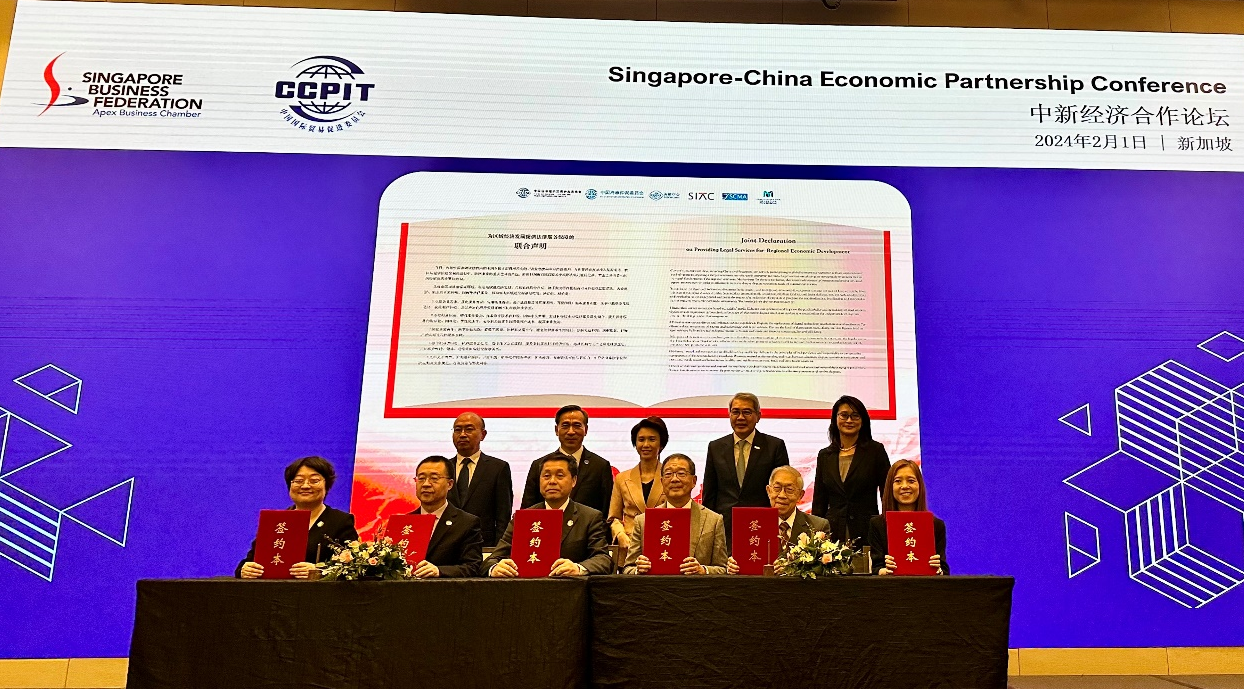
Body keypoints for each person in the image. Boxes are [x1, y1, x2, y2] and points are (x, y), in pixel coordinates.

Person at [487, 453, 613, 577]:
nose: (552, 481)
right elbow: (491, 560)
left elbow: (603, 559)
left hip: (570, 587)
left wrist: (578, 568)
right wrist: (495, 568)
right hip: (528, 587)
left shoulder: (589, 517)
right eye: (546, 476)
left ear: (574, 480)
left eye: (560, 476)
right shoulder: (524, 518)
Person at [237, 456, 358, 578]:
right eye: (298, 481)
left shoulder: (340, 521)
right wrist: (244, 569)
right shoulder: (275, 521)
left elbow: (355, 567)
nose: (305, 486)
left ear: (327, 485)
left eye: (314, 480)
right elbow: (250, 560)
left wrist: (320, 571)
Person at [703, 392, 790, 545]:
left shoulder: (774, 446)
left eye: (747, 412)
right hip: (725, 527)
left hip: (762, 524)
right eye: (735, 412)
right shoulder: (716, 447)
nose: (740, 417)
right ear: (729, 415)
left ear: (758, 416)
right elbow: (710, 493)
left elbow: (781, 490)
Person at [622, 454, 728, 575]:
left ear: (694, 481)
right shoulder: (643, 521)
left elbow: (723, 569)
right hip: (656, 586)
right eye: (668, 474)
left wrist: (703, 570)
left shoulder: (714, 520)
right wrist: (638, 569)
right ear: (662, 481)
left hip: (695, 586)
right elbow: (627, 568)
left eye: (681, 474)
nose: (674, 479)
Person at [811, 395, 891, 546]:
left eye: (855, 416)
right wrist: (816, 536)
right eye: (844, 415)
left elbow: (886, 494)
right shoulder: (825, 455)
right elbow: (819, 500)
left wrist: (888, 527)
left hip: (867, 530)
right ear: (835, 419)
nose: (849, 420)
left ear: (863, 420)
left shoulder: (875, 451)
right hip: (832, 532)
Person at [726, 465, 830, 574]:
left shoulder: (818, 526)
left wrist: (792, 569)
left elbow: (823, 571)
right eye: (777, 488)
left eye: (789, 490)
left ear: (800, 495)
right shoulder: (749, 525)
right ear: (768, 491)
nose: (782, 495)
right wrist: (733, 566)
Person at [520, 405, 613, 514]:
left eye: (577, 425)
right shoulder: (539, 464)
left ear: (586, 430)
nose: (571, 431)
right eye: (565, 425)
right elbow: (527, 510)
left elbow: (607, 509)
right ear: (556, 430)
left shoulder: (600, 466)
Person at [405, 456, 483, 578]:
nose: (426, 484)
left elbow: (473, 567)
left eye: (434, 478)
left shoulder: (467, 523)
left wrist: (439, 571)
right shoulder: (405, 521)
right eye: (421, 478)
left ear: (449, 484)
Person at [869, 460, 948, 575]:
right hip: (892, 585)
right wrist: (884, 571)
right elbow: (875, 568)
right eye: (898, 481)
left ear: (919, 485)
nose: (905, 486)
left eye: (911, 481)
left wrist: (938, 570)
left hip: (925, 585)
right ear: (890, 486)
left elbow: (944, 570)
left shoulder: (936, 525)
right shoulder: (877, 524)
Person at [446, 412, 513, 547]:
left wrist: (499, 549)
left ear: (483, 434)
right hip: (447, 543)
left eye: (469, 429)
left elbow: (503, 516)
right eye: (457, 430)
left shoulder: (498, 468)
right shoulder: (444, 468)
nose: (462, 434)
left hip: (483, 545)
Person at [608, 416, 668, 548]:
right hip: (629, 546)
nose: (646, 445)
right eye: (641, 439)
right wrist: (620, 534)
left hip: (662, 544)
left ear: (661, 444)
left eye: (652, 439)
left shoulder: (670, 477)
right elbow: (614, 518)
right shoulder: (622, 478)